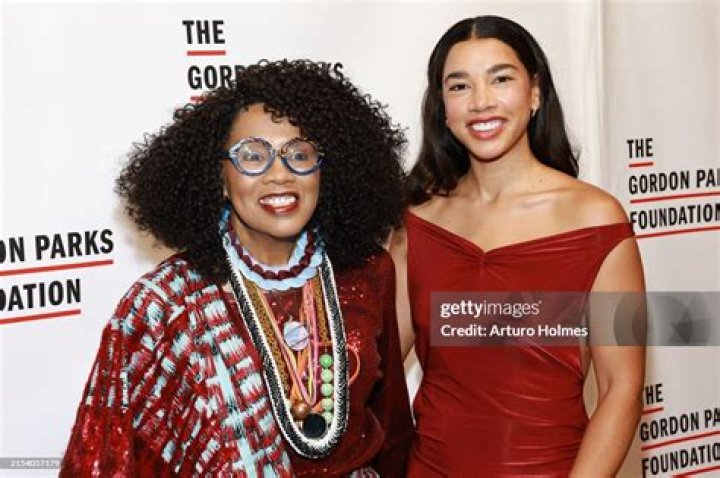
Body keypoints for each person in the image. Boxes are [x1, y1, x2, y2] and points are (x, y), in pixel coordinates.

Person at [61, 59, 412, 477]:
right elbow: (107, 458)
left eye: (299, 154)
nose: (279, 175)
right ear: (221, 179)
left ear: (324, 171)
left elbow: (393, 429)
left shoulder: (367, 272)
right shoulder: (165, 306)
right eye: (253, 157)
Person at [390, 16, 646, 477]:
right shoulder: (418, 223)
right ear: (442, 107)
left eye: (501, 79)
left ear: (535, 93)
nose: (481, 101)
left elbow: (621, 388)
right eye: (460, 86)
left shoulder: (597, 221)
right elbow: (378, 364)